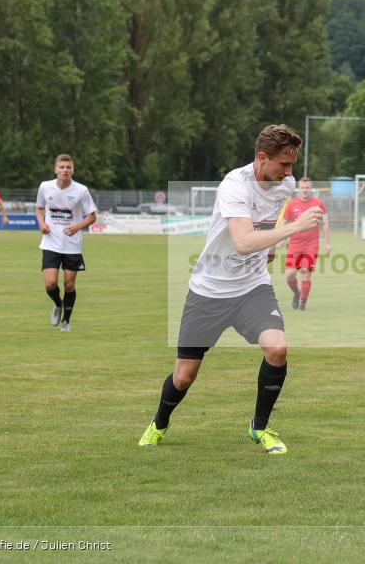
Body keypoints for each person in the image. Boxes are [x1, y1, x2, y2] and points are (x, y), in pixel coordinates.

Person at [138, 124, 323, 454]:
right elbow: (241, 242)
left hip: (252, 288)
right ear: (262, 157)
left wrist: (273, 244)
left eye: (293, 165)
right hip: (209, 291)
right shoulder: (234, 185)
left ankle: (260, 427)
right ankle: (159, 423)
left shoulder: (286, 184)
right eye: (284, 164)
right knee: (184, 376)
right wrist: (294, 228)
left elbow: (267, 223)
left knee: (277, 348)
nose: (290, 172)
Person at [35, 154, 97, 332]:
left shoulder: (81, 191)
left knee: (69, 285)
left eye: (68, 167)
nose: (65, 170)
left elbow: (92, 216)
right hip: (50, 243)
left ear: (72, 170)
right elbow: (39, 208)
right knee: (50, 283)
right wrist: (41, 223)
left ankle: (66, 322)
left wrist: (78, 226)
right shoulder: (45, 187)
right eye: (62, 167)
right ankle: (57, 303)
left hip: (72, 245)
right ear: (56, 169)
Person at [282, 177, 330, 310]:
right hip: (295, 243)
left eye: (307, 187)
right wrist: (283, 238)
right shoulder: (291, 204)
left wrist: (327, 243)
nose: (305, 190)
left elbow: (325, 223)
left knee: (306, 272)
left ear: (311, 188)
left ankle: (303, 303)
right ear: (299, 188)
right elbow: (284, 223)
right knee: (290, 274)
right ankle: (297, 293)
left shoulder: (318, 204)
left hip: (311, 243)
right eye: (302, 188)